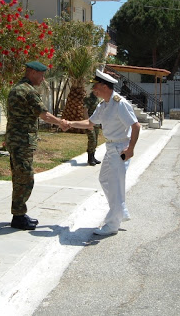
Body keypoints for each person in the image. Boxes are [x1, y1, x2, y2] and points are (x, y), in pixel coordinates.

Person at [65, 70, 141, 236]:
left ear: (105, 86)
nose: (93, 89)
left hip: (120, 148)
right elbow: (90, 123)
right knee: (104, 180)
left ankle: (112, 224)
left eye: (96, 86)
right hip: (110, 148)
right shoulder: (103, 105)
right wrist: (70, 123)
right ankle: (121, 211)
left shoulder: (119, 104)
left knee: (115, 186)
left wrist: (131, 150)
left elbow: (136, 126)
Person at [5, 61, 70, 230]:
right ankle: (18, 217)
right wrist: (61, 123)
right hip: (22, 141)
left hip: (15, 140)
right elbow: (45, 115)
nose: (43, 78)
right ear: (32, 72)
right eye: (41, 75)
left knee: (19, 177)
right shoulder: (28, 91)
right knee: (25, 178)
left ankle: (19, 213)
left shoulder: (17, 88)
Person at [84, 90, 102, 166]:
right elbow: (85, 111)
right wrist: (88, 123)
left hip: (96, 123)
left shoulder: (98, 98)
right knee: (92, 140)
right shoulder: (88, 98)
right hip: (90, 123)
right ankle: (90, 158)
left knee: (96, 141)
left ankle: (93, 157)